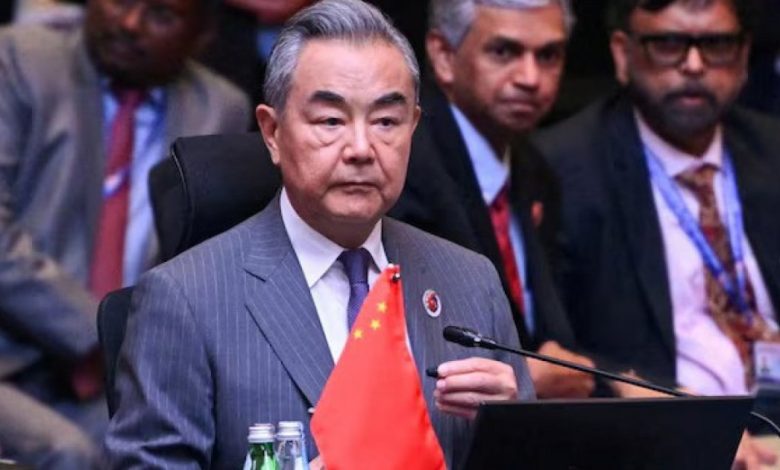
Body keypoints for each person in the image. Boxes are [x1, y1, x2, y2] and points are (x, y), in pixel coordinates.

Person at [104, 1, 531, 468]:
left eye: (386, 122)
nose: (361, 149)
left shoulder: (470, 282)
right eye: (331, 121)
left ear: (413, 128)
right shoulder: (185, 299)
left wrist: (510, 431)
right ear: (272, 132)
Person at [0, 0, 250, 467]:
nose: (130, 24)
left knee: (183, 444)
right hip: (13, 359)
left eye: (161, 15)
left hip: (122, 374)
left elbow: (208, 265)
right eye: (119, 0)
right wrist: (103, 332)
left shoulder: (219, 109)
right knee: (67, 452)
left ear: (202, 36)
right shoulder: (21, 61)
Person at [534, 0, 780, 466]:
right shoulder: (563, 171)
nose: (694, 64)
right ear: (622, 54)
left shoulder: (771, 149)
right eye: (668, 44)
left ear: (745, 56)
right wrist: (688, 424)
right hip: (668, 442)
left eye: (716, 44)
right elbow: (554, 352)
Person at [390, 0, 600, 399]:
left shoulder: (535, 169)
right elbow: (393, 351)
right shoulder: (404, 168)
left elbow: (552, 346)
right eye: (504, 52)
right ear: (443, 55)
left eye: (548, 55)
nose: (531, 78)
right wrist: (524, 380)